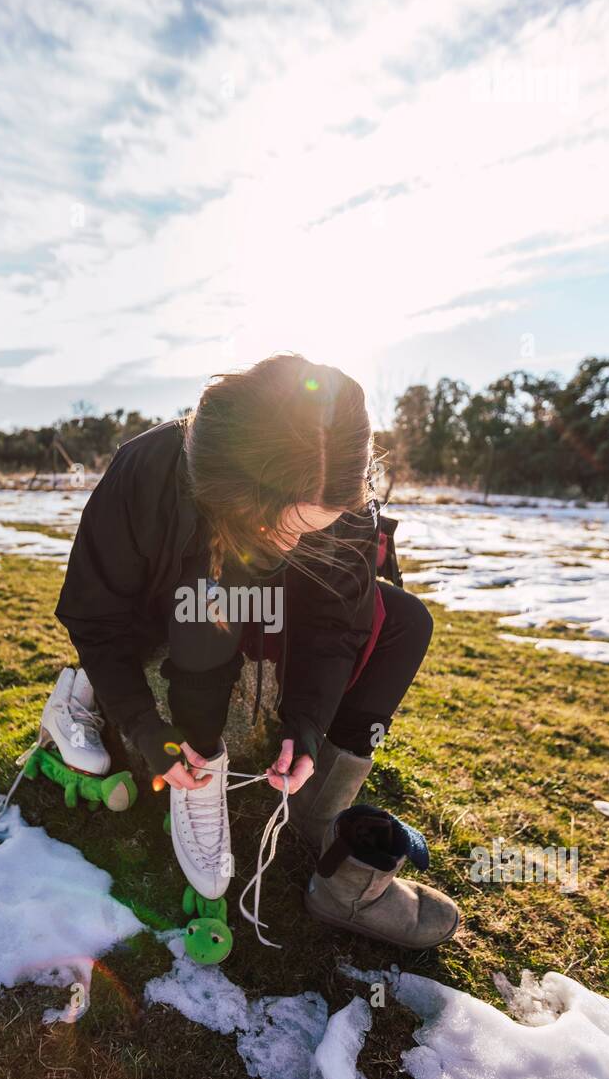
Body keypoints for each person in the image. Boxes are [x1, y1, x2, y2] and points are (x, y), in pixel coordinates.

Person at [54, 353, 458, 948]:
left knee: (406, 622)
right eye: (285, 526)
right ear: (230, 486)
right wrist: (144, 726)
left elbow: (336, 621)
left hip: (274, 614)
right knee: (210, 600)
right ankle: (200, 767)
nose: (298, 541)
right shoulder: (147, 469)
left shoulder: (338, 492)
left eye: (314, 527)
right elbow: (95, 613)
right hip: (173, 612)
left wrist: (309, 724)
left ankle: (315, 810)